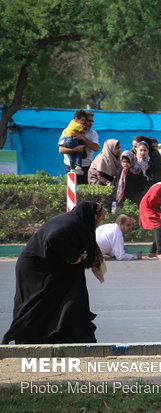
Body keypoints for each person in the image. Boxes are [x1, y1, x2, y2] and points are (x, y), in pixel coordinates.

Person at [2, 202, 106, 344]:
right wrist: (73, 256)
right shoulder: (74, 223)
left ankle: (69, 338)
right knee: (36, 304)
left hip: (52, 267)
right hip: (37, 268)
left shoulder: (74, 222)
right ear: (93, 215)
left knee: (69, 299)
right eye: (99, 218)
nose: (99, 223)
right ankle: (25, 338)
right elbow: (53, 238)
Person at [58, 110, 100, 185]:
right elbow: (61, 150)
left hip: (87, 168)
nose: (90, 123)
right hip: (71, 168)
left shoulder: (93, 134)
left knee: (86, 193)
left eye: (92, 121)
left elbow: (96, 148)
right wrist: (75, 150)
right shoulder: (68, 130)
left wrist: (82, 138)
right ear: (81, 120)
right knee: (74, 192)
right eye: (88, 121)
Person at [59, 109, 89, 174]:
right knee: (78, 152)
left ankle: (72, 168)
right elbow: (83, 131)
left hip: (66, 141)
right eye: (82, 120)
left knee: (72, 156)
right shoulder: (78, 125)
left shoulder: (71, 122)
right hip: (71, 140)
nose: (83, 122)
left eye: (85, 120)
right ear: (76, 118)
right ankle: (78, 166)